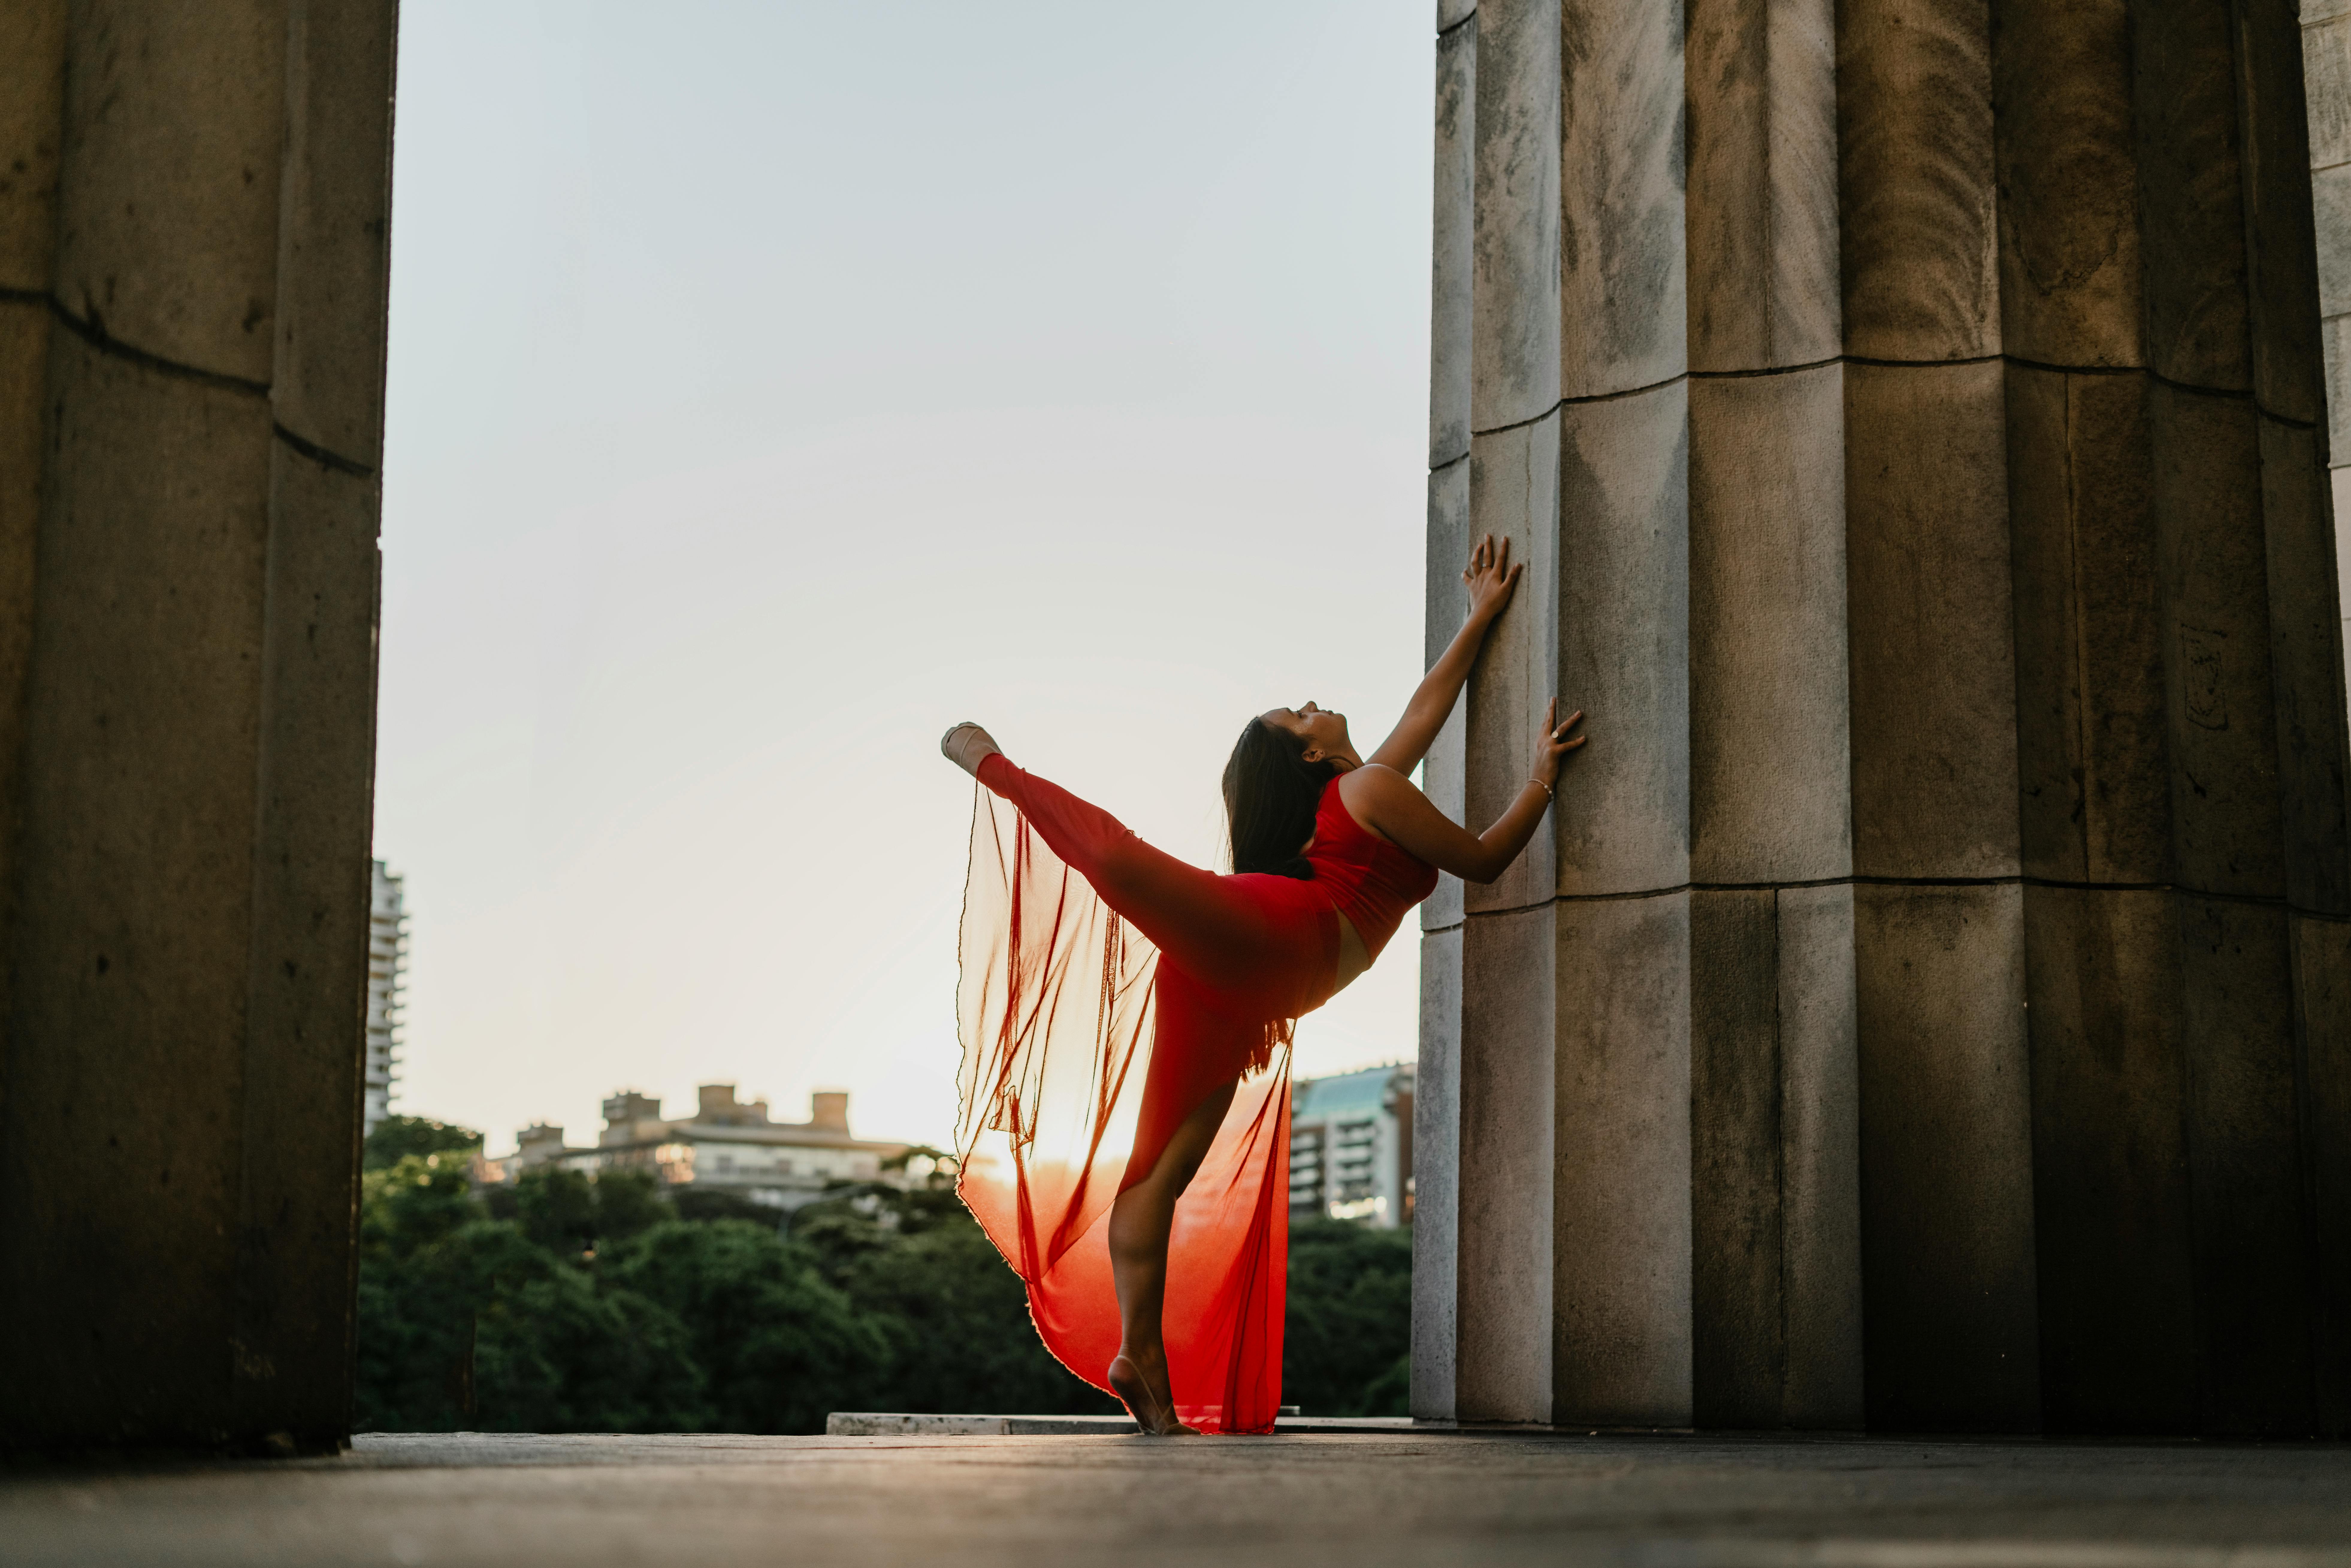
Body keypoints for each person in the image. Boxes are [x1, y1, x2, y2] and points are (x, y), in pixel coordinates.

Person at [939, 535, 1587, 1435]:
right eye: (1301, 714)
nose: (1317, 703)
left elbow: (1423, 709)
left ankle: (1143, 1352)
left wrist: (1479, 616)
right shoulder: (1367, 790)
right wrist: (1542, 782)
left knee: (1157, 1172)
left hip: (1244, 974)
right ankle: (993, 765)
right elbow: (1482, 859)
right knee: (1123, 865)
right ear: (1311, 757)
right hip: (1281, 946)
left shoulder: (1360, 793)